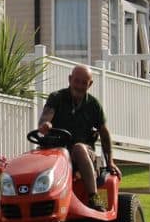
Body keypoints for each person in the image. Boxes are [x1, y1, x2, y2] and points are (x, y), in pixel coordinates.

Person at [37, 64, 121, 211]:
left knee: (78, 148)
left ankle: (93, 197)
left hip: (82, 153)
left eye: (84, 82)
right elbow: (45, 118)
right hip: (57, 151)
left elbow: (104, 132)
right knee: (36, 155)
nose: (80, 86)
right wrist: (45, 125)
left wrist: (110, 161)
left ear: (90, 84)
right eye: (77, 81)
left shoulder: (94, 105)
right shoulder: (57, 98)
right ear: (70, 80)